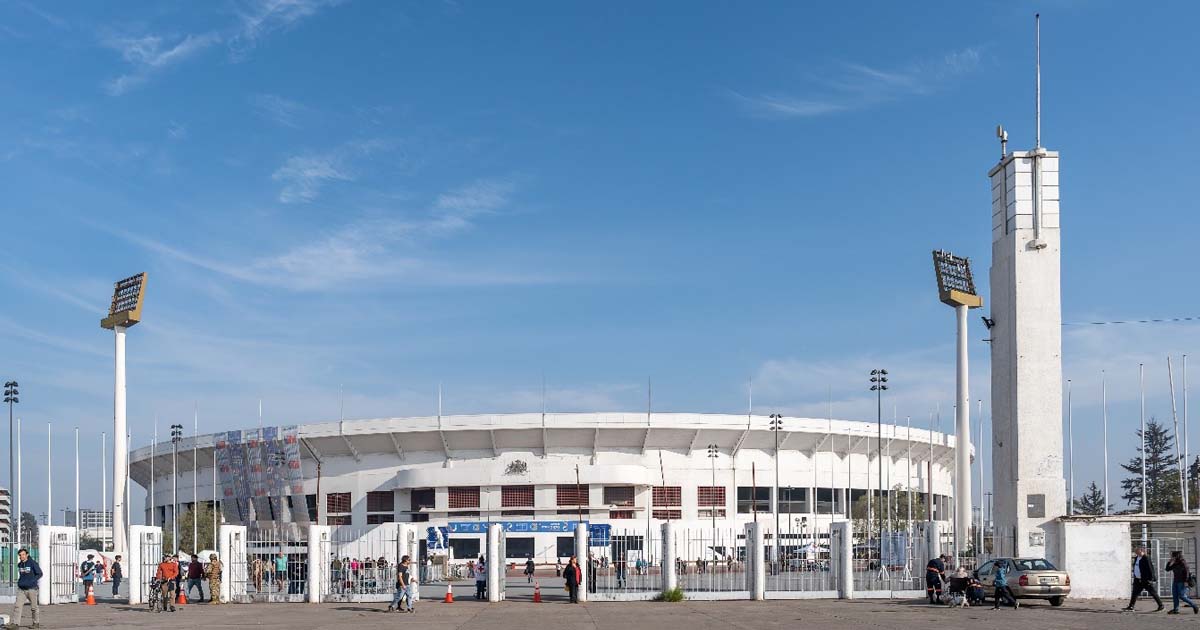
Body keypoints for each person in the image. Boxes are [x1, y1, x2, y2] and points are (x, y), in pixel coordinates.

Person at [9, 548, 41, 629]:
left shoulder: (32, 563)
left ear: (27, 555)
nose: (21, 556)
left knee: (34, 608)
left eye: (23, 554)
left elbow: (40, 573)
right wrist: (20, 582)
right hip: (22, 589)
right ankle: (15, 624)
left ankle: (36, 623)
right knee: (17, 606)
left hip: (32, 589)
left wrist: (31, 581)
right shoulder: (20, 564)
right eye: (20, 555)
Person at [1124, 546, 1164, 612]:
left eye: (1137, 550)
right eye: (1135, 550)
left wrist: (1152, 578)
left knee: (1152, 592)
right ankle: (1131, 606)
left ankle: (1161, 605)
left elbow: (1151, 568)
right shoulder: (1137, 558)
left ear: (1141, 550)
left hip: (1145, 579)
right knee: (1134, 593)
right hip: (1137, 579)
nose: (1135, 551)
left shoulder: (1146, 558)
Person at [1166, 550, 1198, 614]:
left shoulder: (1183, 562)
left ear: (1176, 556)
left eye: (1173, 556)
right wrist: (1169, 561)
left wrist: (1186, 581)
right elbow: (1167, 569)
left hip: (1182, 582)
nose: (1172, 557)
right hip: (1175, 581)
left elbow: (1187, 572)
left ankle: (1194, 605)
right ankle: (1176, 609)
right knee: (1175, 596)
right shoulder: (1175, 563)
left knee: (1182, 596)